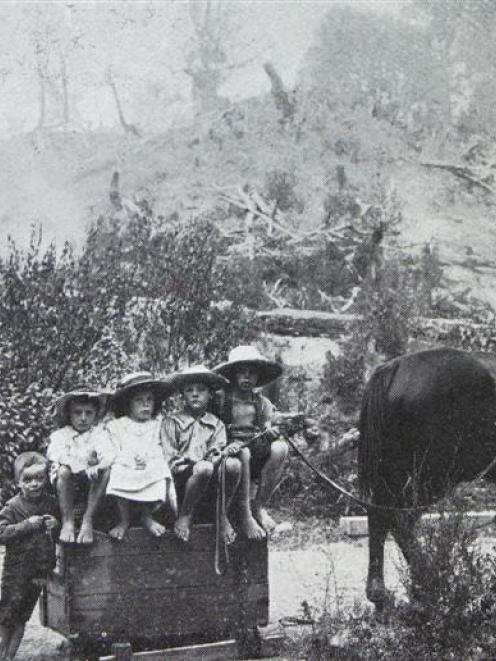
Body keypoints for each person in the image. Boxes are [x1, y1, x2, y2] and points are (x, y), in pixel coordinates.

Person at [214, 345, 287, 539]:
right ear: (233, 374)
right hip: (231, 452)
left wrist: (270, 432)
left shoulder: (261, 402)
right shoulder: (221, 400)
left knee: (280, 448)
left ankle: (259, 506)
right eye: (242, 373)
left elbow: (267, 425)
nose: (247, 378)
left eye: (252, 374)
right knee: (243, 453)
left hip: (255, 453)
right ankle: (245, 514)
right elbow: (211, 428)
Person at [162, 365, 241, 544]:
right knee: (203, 467)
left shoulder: (216, 424)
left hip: (209, 477)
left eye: (201, 390)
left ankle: (221, 514)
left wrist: (224, 453)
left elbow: (216, 453)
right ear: (183, 395)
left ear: (210, 394)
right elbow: (169, 458)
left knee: (234, 464)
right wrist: (192, 463)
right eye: (189, 390)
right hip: (181, 481)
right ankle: (185, 515)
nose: (195, 394)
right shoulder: (171, 422)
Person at [0, 452, 58, 660]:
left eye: (39, 478)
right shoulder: (13, 506)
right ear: (17, 482)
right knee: (6, 617)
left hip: (38, 573)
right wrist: (26, 525)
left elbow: (58, 533)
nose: (34, 484)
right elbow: (2, 533)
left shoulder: (51, 503)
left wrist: (55, 524)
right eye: (27, 480)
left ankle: (9, 657)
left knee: (21, 619)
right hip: (16, 573)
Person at [106, 372, 176, 540]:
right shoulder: (115, 426)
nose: (145, 405)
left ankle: (147, 516)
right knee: (117, 472)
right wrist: (129, 461)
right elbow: (112, 449)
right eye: (139, 400)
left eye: (149, 400)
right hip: (125, 463)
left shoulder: (158, 424)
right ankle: (124, 520)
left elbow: (160, 446)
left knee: (159, 469)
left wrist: (148, 459)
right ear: (128, 403)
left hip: (150, 462)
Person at [47, 387, 113, 544]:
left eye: (89, 413)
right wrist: (80, 466)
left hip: (92, 480)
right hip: (67, 480)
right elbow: (56, 454)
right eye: (77, 413)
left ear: (96, 415)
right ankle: (67, 521)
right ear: (69, 414)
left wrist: (98, 466)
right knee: (63, 470)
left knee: (106, 471)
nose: (83, 418)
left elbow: (109, 455)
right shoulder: (61, 435)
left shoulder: (99, 434)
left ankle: (88, 520)